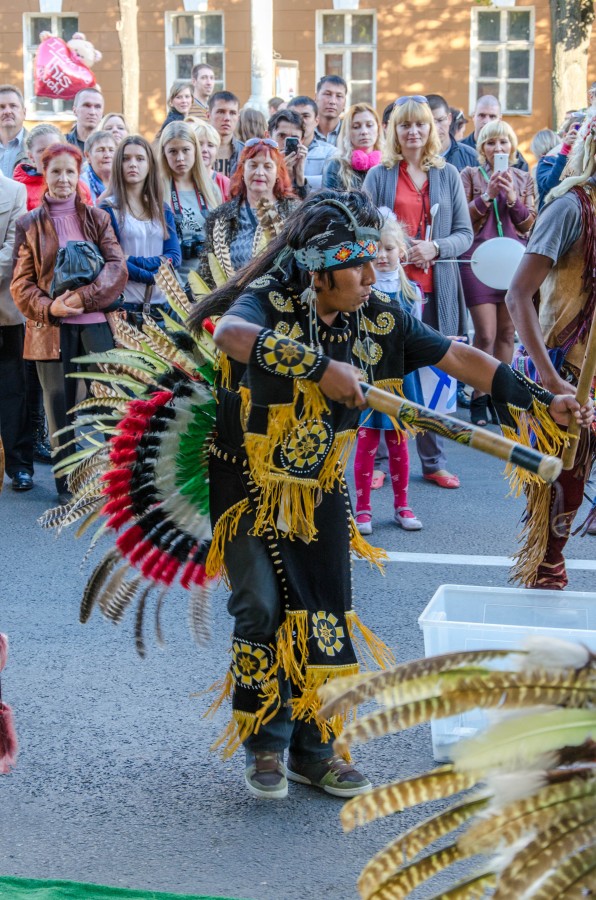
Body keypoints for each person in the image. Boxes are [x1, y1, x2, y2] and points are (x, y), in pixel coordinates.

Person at [185, 188, 591, 800]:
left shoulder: (380, 314)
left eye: (376, 260)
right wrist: (320, 369)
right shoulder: (271, 297)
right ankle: (265, 743)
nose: (375, 275)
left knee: (323, 609)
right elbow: (232, 336)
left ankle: (316, 750)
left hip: (318, 481)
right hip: (245, 479)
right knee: (261, 607)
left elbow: (456, 355)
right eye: (359, 264)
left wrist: (541, 397)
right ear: (320, 274)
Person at [363, 95, 473, 490]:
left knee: (432, 375)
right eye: (405, 125)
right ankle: (376, 460)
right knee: (384, 371)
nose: (413, 132)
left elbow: (465, 235)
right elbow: (364, 229)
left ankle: (432, 461)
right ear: (394, 131)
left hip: (432, 289)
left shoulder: (448, 175)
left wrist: (436, 247)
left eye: (420, 125)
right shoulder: (379, 175)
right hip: (388, 289)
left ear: (432, 129)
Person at [506, 117, 596, 587]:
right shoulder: (568, 208)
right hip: (567, 365)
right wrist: (551, 377)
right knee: (564, 479)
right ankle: (546, 564)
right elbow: (517, 295)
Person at [11, 143, 127, 503]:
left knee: (110, 405)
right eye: (56, 171)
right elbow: (21, 284)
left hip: (96, 325)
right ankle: (68, 486)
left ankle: (116, 482)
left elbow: (116, 267)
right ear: (45, 174)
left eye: (70, 172)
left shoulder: (98, 218)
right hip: (51, 330)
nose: (63, 179)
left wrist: (84, 299)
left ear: (79, 175)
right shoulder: (29, 224)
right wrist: (50, 307)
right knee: (58, 409)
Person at [460, 120, 536, 426]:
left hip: (512, 263)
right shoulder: (470, 175)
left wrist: (514, 199)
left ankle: (499, 398)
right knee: (486, 334)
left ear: (512, 148)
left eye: (504, 143)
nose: (498, 148)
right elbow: (462, 217)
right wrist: (487, 196)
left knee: (507, 333)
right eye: (491, 143)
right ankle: (479, 396)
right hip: (477, 260)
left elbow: (529, 224)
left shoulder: (523, 178)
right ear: (482, 148)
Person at [353, 212, 423, 534]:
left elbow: (418, 337)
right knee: (366, 443)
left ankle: (402, 506)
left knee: (398, 444)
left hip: (399, 378)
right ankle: (363, 509)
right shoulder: (358, 292)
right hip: (367, 376)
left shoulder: (412, 294)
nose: (381, 255)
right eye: (375, 249)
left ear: (402, 253)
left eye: (389, 248)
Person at [100, 135, 181, 327]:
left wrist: (132, 259)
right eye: (126, 159)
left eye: (140, 158)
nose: (133, 164)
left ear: (150, 165)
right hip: (126, 309)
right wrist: (152, 276)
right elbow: (115, 262)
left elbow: (174, 257)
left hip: (163, 310)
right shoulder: (108, 209)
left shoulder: (162, 208)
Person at [198, 138, 299, 283]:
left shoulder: (295, 213)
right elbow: (207, 271)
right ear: (242, 170)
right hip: (233, 300)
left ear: (278, 173)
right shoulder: (220, 217)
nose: (259, 172)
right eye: (253, 165)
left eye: (267, 166)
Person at [158, 121, 220, 289]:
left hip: (209, 284)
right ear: (164, 153)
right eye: (173, 151)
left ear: (195, 150)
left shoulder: (210, 188)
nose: (180, 158)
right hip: (171, 286)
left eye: (185, 150)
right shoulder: (156, 189)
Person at [0, 171, 32, 491]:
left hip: (5, 312)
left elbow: (13, 251)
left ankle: (19, 464)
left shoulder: (15, 190)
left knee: (13, 392)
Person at [322, 102, 382, 190]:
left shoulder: (388, 164)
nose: (364, 131)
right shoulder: (336, 165)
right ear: (347, 132)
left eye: (369, 125)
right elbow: (330, 201)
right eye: (356, 127)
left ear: (378, 128)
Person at [461, 95, 529, 171]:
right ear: (473, 117)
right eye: (482, 115)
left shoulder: (513, 156)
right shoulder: (458, 150)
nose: (486, 121)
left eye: (492, 116)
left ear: (500, 119)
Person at [287, 95, 336, 192]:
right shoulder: (275, 151)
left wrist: (300, 178)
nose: (300, 121)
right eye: (295, 116)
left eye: (305, 116)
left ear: (316, 120)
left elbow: (332, 187)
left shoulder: (330, 153)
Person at [535, 116, 581, 210]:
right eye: (573, 135)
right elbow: (551, 186)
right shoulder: (547, 160)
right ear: (565, 137)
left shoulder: (589, 163)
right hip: (555, 220)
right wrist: (566, 150)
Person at [13, 124, 64, 211]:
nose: (49, 154)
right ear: (31, 156)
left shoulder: (78, 185)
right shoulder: (18, 191)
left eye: (55, 148)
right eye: (42, 150)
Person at [427, 94, 477, 172]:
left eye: (440, 120)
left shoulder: (471, 157)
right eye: (430, 122)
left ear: (449, 119)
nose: (436, 128)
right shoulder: (414, 159)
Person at [268, 109, 308, 197]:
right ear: (268, 137)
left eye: (294, 138)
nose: (286, 143)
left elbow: (306, 208)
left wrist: (300, 176)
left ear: (302, 140)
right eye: (282, 136)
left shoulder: (303, 162)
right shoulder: (257, 163)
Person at [208, 91, 244, 178]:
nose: (227, 118)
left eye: (232, 113)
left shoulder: (245, 152)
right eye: (221, 112)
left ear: (237, 118)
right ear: (208, 115)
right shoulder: (196, 150)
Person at [193, 121, 230, 202]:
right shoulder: (182, 182)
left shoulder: (225, 184)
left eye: (210, 145)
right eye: (200, 144)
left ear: (217, 151)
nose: (205, 150)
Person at [80, 130, 117, 204]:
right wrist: (107, 194)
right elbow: (85, 214)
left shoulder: (125, 181)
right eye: (101, 150)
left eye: (111, 150)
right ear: (87, 156)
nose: (107, 155)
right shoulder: (81, 184)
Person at [65, 88, 104, 154]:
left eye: (97, 107)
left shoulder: (110, 146)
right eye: (87, 106)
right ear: (75, 110)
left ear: (102, 112)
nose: (92, 112)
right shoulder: (62, 144)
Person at [0, 85, 27, 177]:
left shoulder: (37, 147)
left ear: (24, 113)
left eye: (13, 106)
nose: (7, 111)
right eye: (1, 107)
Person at [314, 75, 347, 145]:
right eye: (327, 94)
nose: (333, 101)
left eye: (339, 96)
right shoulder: (305, 132)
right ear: (316, 97)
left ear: (345, 103)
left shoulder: (350, 133)